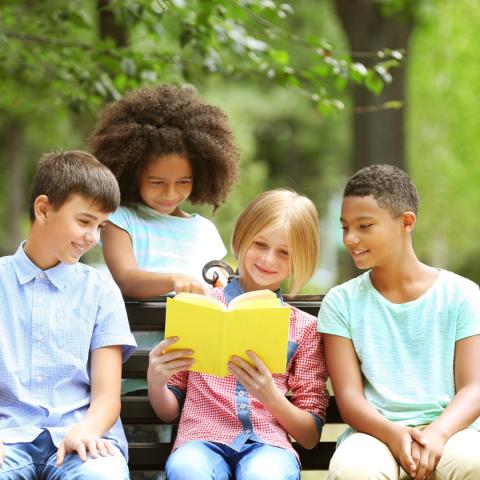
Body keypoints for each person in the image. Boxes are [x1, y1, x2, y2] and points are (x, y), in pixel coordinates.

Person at [148, 189, 329, 480]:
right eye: (260, 244)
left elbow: (309, 436)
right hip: (200, 441)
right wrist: (157, 383)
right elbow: (168, 412)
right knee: (187, 469)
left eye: (285, 252)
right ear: (241, 238)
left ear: (300, 259)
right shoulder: (200, 306)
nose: (269, 259)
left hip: (268, 447)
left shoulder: (302, 328)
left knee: (265, 475)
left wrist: (270, 395)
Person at [318, 164, 480, 480]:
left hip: (452, 430)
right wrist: (394, 435)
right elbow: (350, 400)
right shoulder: (341, 302)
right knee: (352, 471)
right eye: (345, 227)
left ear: (406, 222)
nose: (351, 239)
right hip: (374, 434)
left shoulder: (462, 295)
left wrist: (437, 434)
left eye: (365, 226)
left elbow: (473, 387)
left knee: (474, 462)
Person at [0, 151, 137, 479]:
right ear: (44, 209)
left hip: (82, 439)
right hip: (8, 439)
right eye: (85, 221)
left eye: (101, 225)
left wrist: (87, 430)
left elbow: (107, 397)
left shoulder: (99, 289)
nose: (93, 237)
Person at [88, 84, 240, 299]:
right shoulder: (120, 219)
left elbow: (216, 287)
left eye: (183, 182)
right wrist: (173, 280)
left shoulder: (205, 231)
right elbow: (127, 279)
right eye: (157, 182)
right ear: (133, 174)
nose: (170, 194)